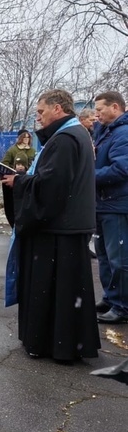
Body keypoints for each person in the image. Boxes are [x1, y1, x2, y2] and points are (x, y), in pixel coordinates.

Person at [1, 89, 100, 361]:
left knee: (52, 290)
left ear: (58, 109)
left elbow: (52, 186)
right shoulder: (74, 134)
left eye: (41, 111)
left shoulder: (65, 139)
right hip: (68, 226)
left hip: (58, 229)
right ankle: (65, 344)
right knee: (66, 293)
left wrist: (18, 182)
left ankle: (49, 343)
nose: (38, 117)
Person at [93, 91, 128, 324]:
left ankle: (122, 306)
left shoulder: (123, 134)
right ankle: (110, 297)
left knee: (119, 259)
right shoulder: (107, 132)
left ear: (115, 107)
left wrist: (88, 176)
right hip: (103, 204)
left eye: (100, 110)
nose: (96, 115)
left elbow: (121, 169)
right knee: (104, 256)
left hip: (116, 205)